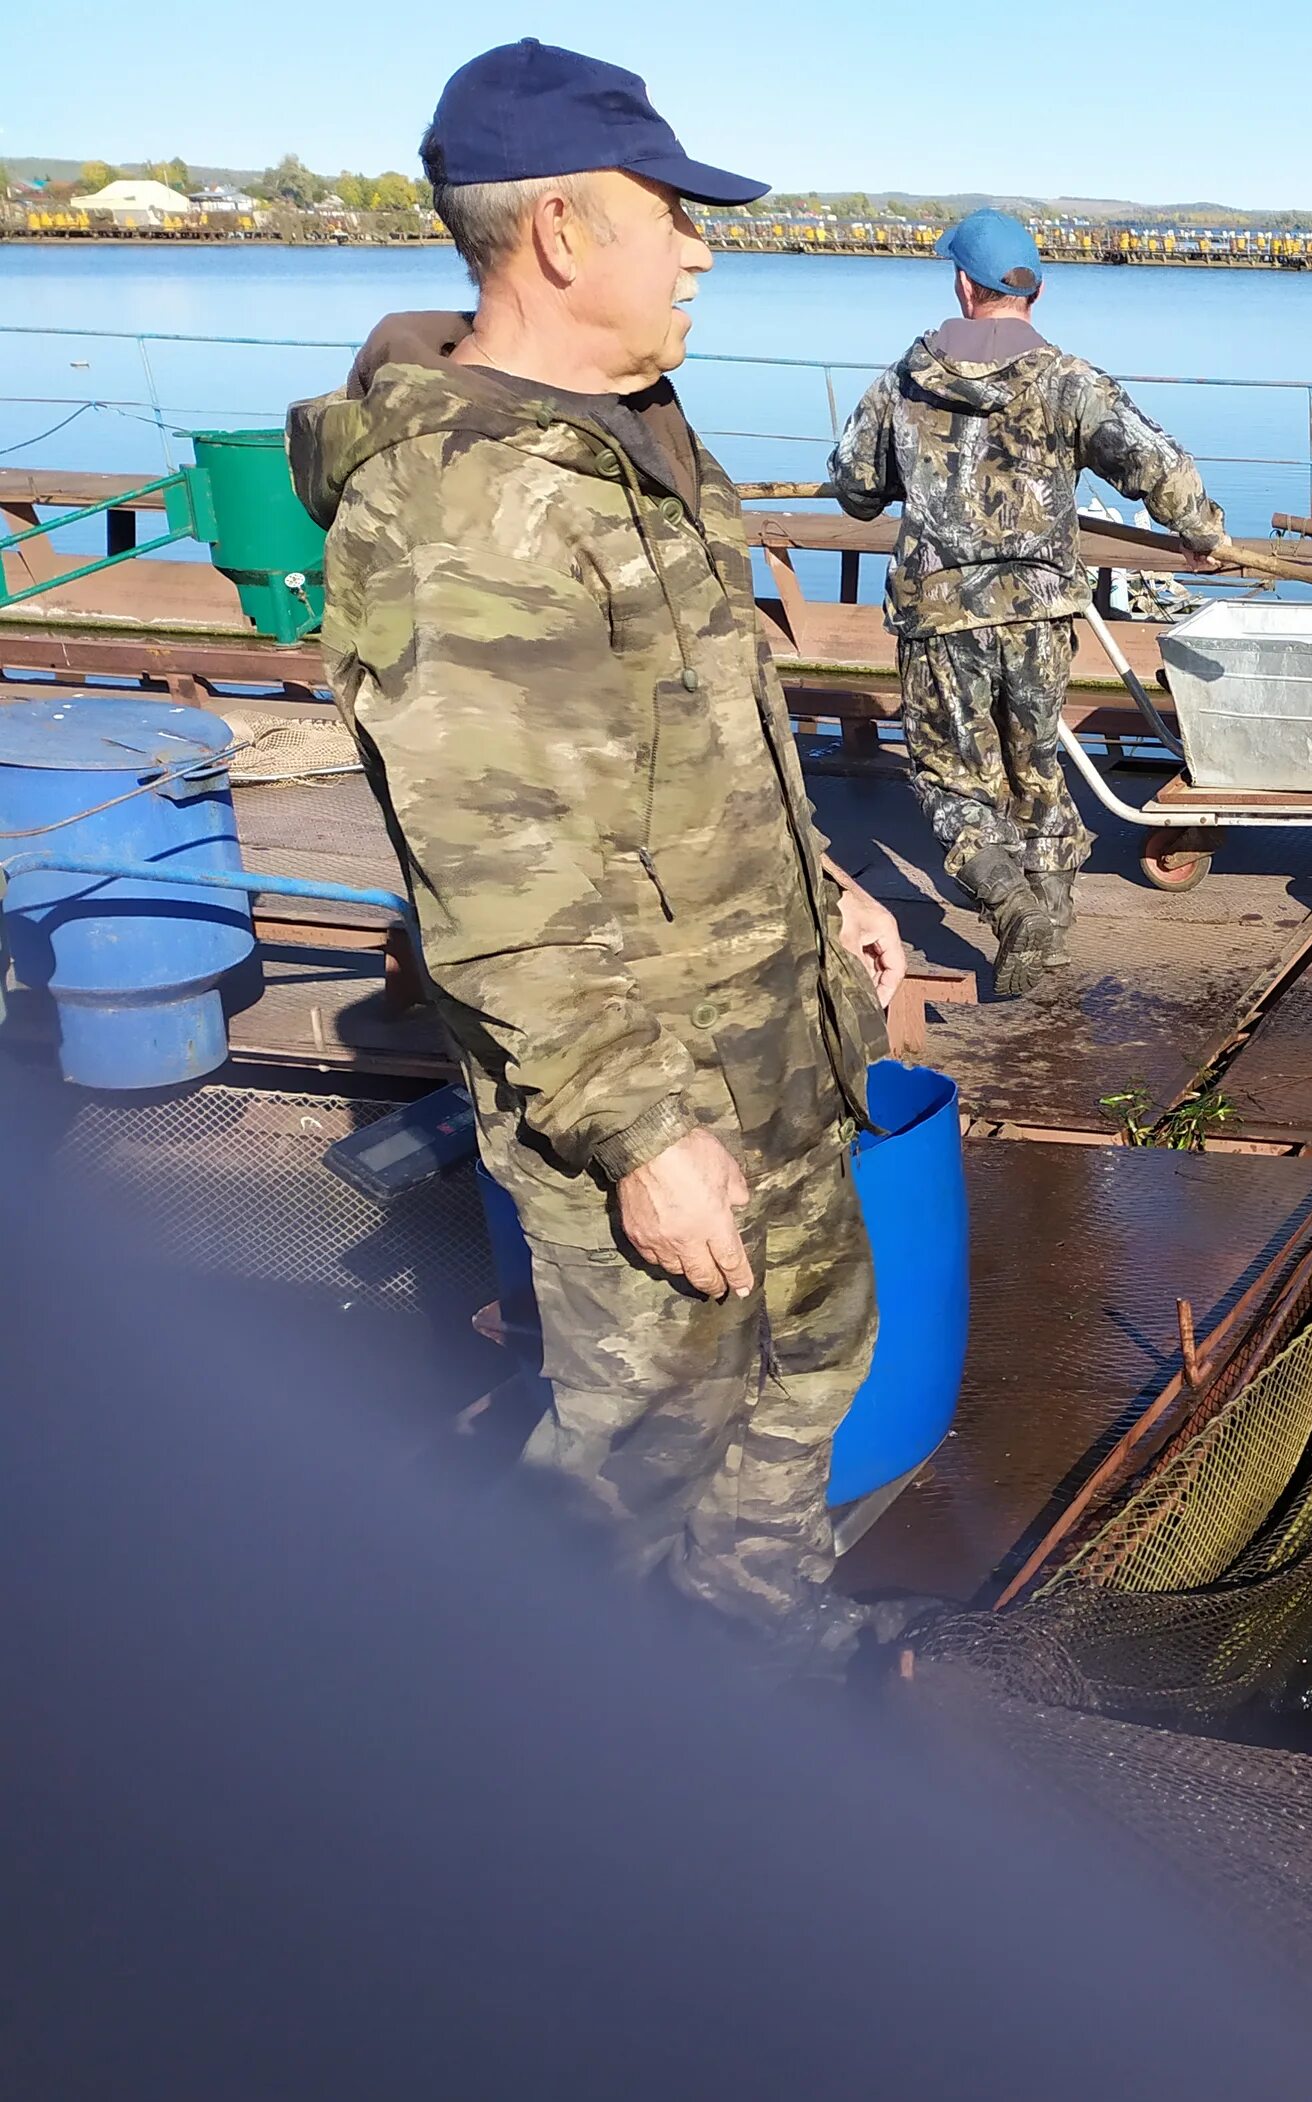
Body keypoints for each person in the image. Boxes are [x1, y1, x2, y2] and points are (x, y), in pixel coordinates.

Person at [289, 41, 910, 1656]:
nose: (700, 247)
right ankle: (525, 1785)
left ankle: (743, 1654)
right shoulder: (454, 506)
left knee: (816, 1356)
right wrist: (639, 1134)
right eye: (673, 213)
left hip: (773, 1036)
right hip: (649, 1084)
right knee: (632, 1464)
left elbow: (702, 721)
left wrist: (826, 887)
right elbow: (494, 882)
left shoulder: (631, 430)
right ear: (561, 231)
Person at [829, 210, 1228, 993]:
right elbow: (1159, 463)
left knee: (952, 780)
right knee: (1035, 766)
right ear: (1034, 291)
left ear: (960, 286)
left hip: (939, 613)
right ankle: (1045, 918)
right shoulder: (1071, 382)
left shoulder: (901, 382)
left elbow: (855, 490)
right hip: (1041, 610)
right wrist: (1200, 529)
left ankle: (1015, 909)